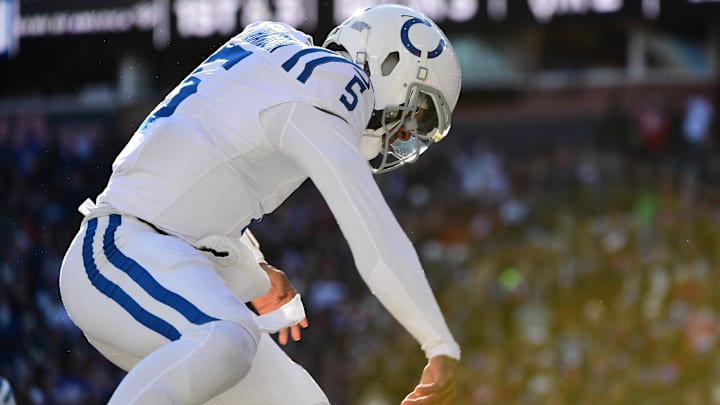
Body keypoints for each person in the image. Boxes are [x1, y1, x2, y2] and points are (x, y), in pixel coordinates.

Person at [59, 4, 462, 404]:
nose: (407, 130)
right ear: (389, 63)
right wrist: (438, 342)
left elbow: (204, 161)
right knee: (226, 335)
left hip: (158, 253)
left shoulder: (275, 46)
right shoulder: (339, 86)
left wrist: (253, 271)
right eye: (418, 109)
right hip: (119, 249)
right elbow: (372, 234)